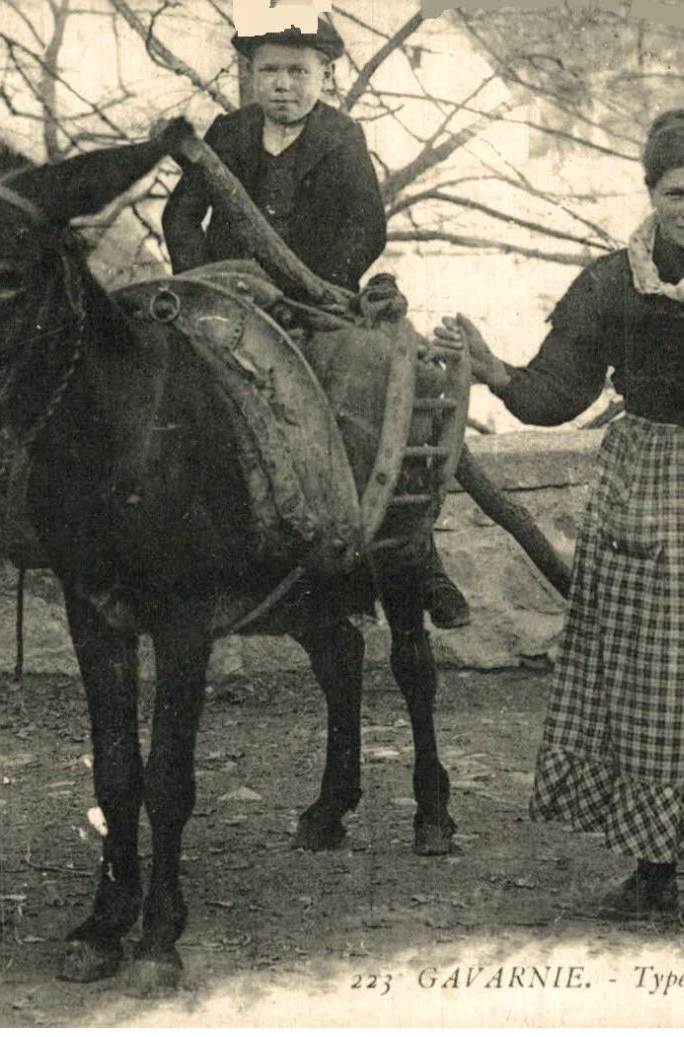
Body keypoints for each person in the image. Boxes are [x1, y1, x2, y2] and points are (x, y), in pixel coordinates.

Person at [432, 109, 684, 932]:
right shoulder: (610, 281)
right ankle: (650, 872)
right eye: (674, 193)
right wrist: (493, 371)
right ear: (649, 193)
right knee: (644, 680)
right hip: (639, 483)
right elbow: (558, 395)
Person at [162, 13, 470, 628]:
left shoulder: (342, 136)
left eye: (298, 71)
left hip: (316, 299)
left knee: (367, 383)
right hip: (228, 298)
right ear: (249, 75)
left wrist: (318, 281)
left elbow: (367, 227)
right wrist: (203, 278)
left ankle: (414, 556)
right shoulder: (228, 133)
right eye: (269, 70)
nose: (282, 85)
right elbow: (180, 217)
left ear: (325, 74)